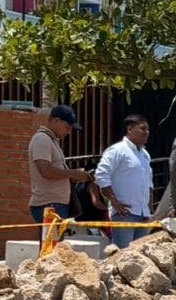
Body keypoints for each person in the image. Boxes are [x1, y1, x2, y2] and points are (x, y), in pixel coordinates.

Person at [28, 104, 94, 237]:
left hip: (55, 204)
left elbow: (56, 170)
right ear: (56, 121)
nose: (69, 131)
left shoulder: (52, 141)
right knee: (51, 251)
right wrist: (73, 173)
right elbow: (45, 171)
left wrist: (77, 175)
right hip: (48, 205)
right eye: (67, 127)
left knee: (54, 249)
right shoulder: (42, 139)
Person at [94, 113, 153, 248]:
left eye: (148, 129)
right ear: (130, 129)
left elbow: (149, 182)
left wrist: (149, 207)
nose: (147, 133)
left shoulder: (145, 154)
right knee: (123, 256)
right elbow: (101, 175)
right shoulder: (117, 151)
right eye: (143, 129)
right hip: (124, 214)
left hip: (143, 214)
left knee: (141, 257)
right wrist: (114, 201)